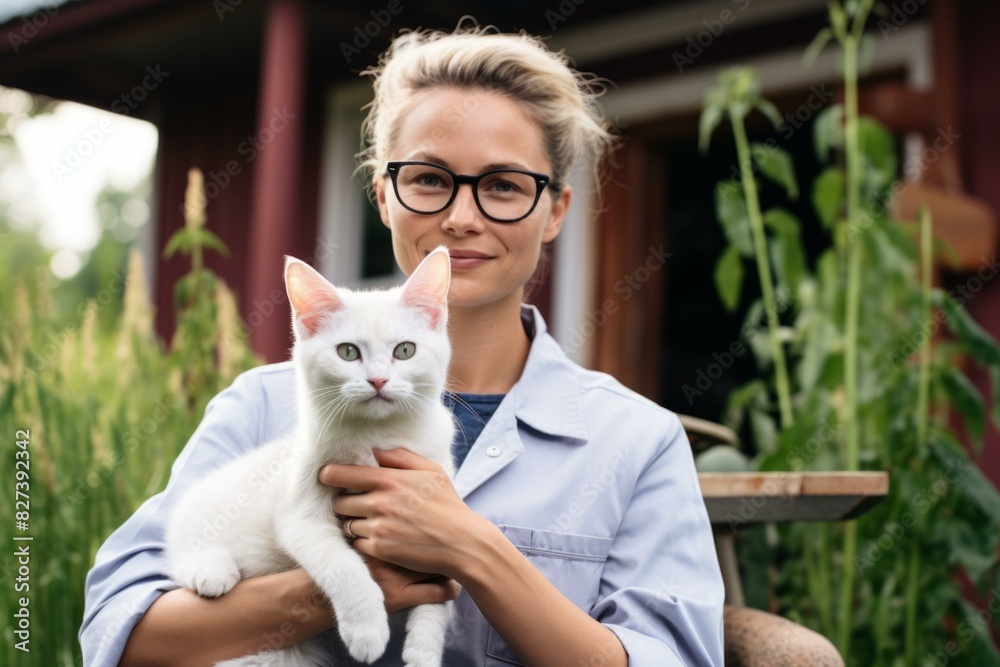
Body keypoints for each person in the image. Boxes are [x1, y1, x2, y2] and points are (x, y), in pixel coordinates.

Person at [81, 23, 725, 667]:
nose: (462, 218)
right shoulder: (260, 406)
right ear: (383, 194)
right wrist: (331, 590)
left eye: (503, 185)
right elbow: (121, 633)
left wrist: (476, 551)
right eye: (428, 178)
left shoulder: (638, 441)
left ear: (555, 210)